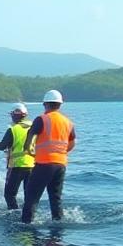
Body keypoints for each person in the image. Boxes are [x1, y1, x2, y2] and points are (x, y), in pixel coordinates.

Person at [21, 90, 77, 223]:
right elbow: (72, 143)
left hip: (44, 164)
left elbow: (29, 139)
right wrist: (61, 154)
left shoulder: (42, 119)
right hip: (61, 164)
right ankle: (58, 223)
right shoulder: (68, 122)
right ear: (60, 105)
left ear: (45, 104)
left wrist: (29, 151)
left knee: (31, 197)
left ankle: (26, 225)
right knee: (56, 197)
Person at [0, 102, 35, 210]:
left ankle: (14, 214)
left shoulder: (13, 129)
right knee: (29, 195)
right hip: (33, 166)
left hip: (17, 166)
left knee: (9, 195)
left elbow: (1, 146)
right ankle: (29, 214)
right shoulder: (34, 127)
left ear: (14, 115)